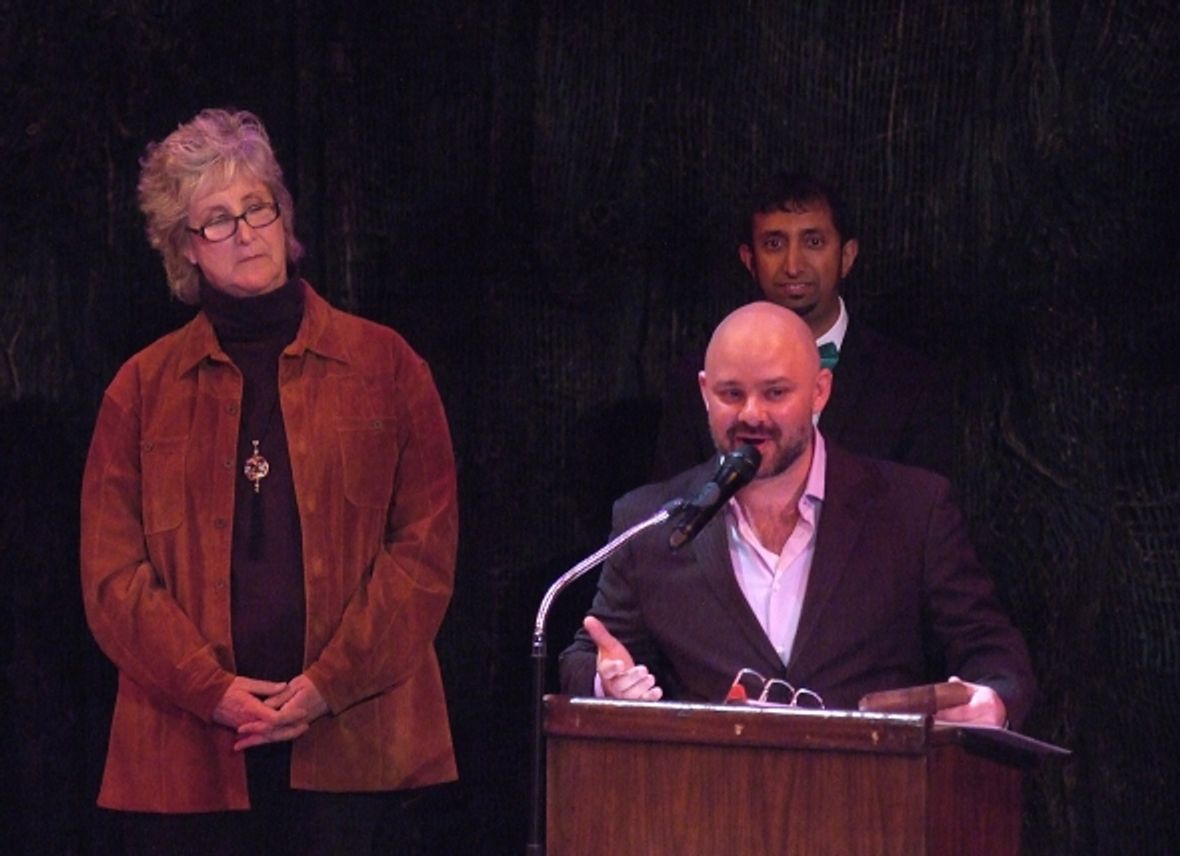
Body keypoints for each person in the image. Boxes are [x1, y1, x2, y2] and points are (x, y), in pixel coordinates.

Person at [80, 108, 459, 854]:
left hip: (359, 747)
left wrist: (326, 686)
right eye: (216, 219)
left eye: (257, 206)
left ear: (285, 218)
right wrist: (210, 692)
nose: (245, 230)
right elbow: (111, 577)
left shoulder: (387, 367)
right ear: (183, 250)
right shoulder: (141, 389)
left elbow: (424, 555)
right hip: (187, 759)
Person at [560, 302, 1034, 730]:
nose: (752, 415)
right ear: (704, 393)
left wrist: (993, 699)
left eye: (775, 393)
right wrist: (608, 683)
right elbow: (590, 655)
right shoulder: (652, 521)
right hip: (705, 806)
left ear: (820, 391)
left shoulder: (912, 510)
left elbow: (991, 649)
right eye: (731, 394)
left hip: (876, 805)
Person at [651, 170, 955, 480]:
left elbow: (923, 518)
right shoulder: (695, 380)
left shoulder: (908, 383)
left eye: (813, 241)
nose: (793, 266)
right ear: (749, 259)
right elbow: (673, 508)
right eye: (774, 244)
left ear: (847, 256)